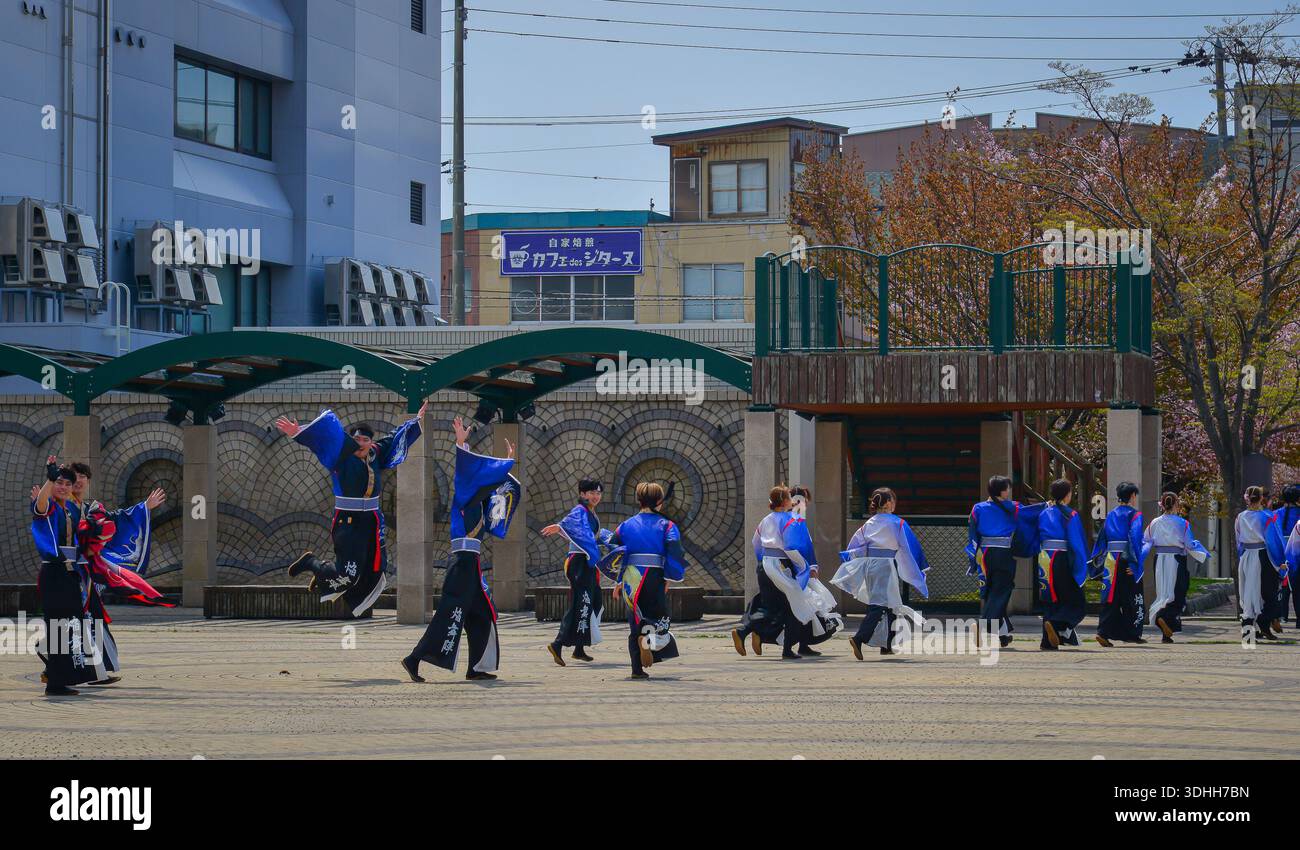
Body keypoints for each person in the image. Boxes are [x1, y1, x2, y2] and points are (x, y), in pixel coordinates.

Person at [276, 403, 425, 618]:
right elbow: (321, 444)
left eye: (366, 440)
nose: (361, 444)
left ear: (371, 442)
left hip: (371, 521)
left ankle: (329, 580)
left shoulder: (375, 453)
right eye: (357, 440)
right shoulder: (340, 457)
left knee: (375, 567)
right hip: (348, 522)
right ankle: (314, 564)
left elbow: (394, 438)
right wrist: (298, 432)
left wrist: (416, 421)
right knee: (348, 573)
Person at [402, 417, 520, 681]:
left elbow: (494, 485)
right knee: (449, 615)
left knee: (483, 615)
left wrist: (505, 462)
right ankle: (414, 658)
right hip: (462, 565)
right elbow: (466, 470)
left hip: (471, 565)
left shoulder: (478, 500)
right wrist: (460, 443)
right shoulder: (465, 495)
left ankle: (477, 668)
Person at [62, 461, 168, 686]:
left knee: (92, 619)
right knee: (70, 621)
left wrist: (144, 508)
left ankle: (96, 670)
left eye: (83, 477)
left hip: (87, 573)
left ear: (88, 481)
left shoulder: (92, 509)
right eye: (74, 477)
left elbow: (117, 520)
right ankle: (60, 667)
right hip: (65, 570)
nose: (79, 481)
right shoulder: (60, 506)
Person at [732, 485, 841, 660]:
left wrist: (764, 562)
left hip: (766, 564)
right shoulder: (791, 520)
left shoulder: (766, 520)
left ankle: (744, 631)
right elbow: (793, 547)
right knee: (796, 605)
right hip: (782, 566)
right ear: (784, 501)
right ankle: (787, 650)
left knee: (770, 607)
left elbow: (756, 543)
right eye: (790, 498)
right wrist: (804, 567)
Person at [600, 482, 686, 679]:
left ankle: (636, 669)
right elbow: (674, 549)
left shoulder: (625, 526)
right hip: (654, 574)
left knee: (635, 622)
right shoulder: (667, 525)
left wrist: (618, 581)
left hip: (631, 577)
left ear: (639, 501)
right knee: (658, 618)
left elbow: (617, 551)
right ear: (659, 502)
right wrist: (669, 576)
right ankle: (648, 641)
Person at [833, 487, 930, 660]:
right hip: (886, 565)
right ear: (889, 503)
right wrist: (919, 566)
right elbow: (909, 546)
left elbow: (855, 546)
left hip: (871, 565)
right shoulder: (897, 523)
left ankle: (886, 644)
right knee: (880, 605)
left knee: (889, 604)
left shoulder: (868, 524)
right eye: (892, 501)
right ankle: (859, 638)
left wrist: (853, 562)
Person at [30, 464, 97, 696]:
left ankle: (62, 674)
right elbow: (39, 505)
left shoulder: (68, 510)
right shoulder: (47, 507)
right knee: (59, 626)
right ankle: (55, 682)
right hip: (54, 574)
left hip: (70, 574)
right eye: (59, 482)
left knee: (72, 625)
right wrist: (48, 482)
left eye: (67, 484)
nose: (63, 487)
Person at [542, 479, 612, 665]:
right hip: (579, 562)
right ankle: (558, 644)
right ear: (582, 494)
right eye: (591, 493)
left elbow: (589, 536)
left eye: (598, 493)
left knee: (593, 601)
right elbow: (569, 524)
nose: (595, 496)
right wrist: (559, 527)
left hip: (587, 562)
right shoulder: (579, 511)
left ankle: (579, 648)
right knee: (581, 602)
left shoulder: (590, 512)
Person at [966, 475, 1042, 647]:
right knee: (1002, 591)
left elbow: (972, 533)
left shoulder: (977, 508)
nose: (1009, 490)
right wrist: (1047, 506)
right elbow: (1030, 514)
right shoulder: (1013, 507)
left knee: (992, 591)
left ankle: (1003, 633)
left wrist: (973, 557)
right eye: (1007, 488)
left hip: (984, 555)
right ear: (1002, 491)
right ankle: (982, 625)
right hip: (1003, 553)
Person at [1089, 481, 1148, 646]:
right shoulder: (1135, 515)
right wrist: (1136, 564)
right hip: (1126, 559)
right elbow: (1135, 538)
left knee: (1110, 597)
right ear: (1132, 496)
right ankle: (1132, 633)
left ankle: (1104, 631)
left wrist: (1098, 560)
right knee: (1133, 596)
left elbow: (1102, 538)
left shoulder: (1110, 515)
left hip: (1110, 559)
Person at [1145, 493, 1209, 643]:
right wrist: (1201, 551)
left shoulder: (1155, 522)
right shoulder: (1182, 523)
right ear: (1176, 505)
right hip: (1177, 559)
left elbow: (1146, 539)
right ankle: (1163, 617)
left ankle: (1166, 633)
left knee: (1163, 593)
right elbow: (1189, 544)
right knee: (1178, 593)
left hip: (1160, 559)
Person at [1035, 479, 1090, 650]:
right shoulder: (1070, 514)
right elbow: (1076, 543)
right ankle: (1057, 624)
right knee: (1077, 602)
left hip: (1044, 558)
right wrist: (1082, 565)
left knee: (1050, 599)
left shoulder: (1044, 513)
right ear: (1067, 495)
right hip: (1061, 558)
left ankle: (1048, 642)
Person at [1235, 487, 1278, 641]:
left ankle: (1248, 634)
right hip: (1263, 555)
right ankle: (1264, 622)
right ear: (1261, 498)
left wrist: (1242, 556)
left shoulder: (1240, 517)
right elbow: (1274, 541)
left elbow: (1238, 539)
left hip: (1246, 556)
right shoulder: (1267, 516)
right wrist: (1280, 561)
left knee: (1248, 593)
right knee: (1269, 594)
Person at [1264, 484, 1300, 632]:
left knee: (1280, 587)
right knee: (1297, 587)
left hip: (1279, 552)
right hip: (1296, 552)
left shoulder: (1275, 514)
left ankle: (1279, 616)